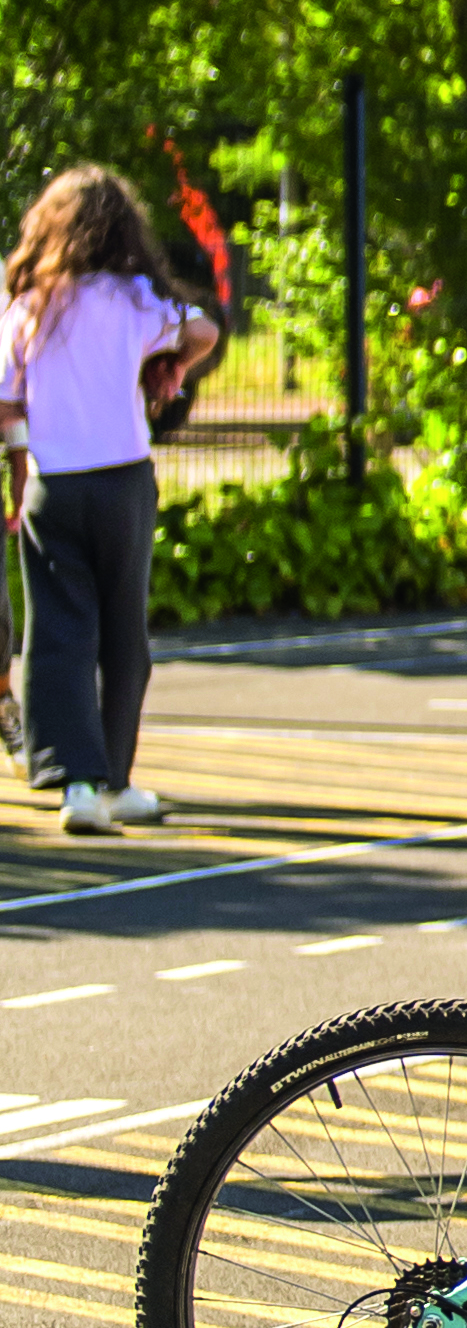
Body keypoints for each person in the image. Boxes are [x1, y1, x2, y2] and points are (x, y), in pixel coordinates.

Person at [0, 170, 224, 840]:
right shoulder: (135, 298)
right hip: (124, 479)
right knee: (125, 632)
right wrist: (172, 367)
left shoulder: (30, 303)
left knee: (59, 634)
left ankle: (77, 783)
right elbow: (204, 329)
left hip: (54, 482)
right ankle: (118, 777)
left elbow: (7, 400)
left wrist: (19, 466)